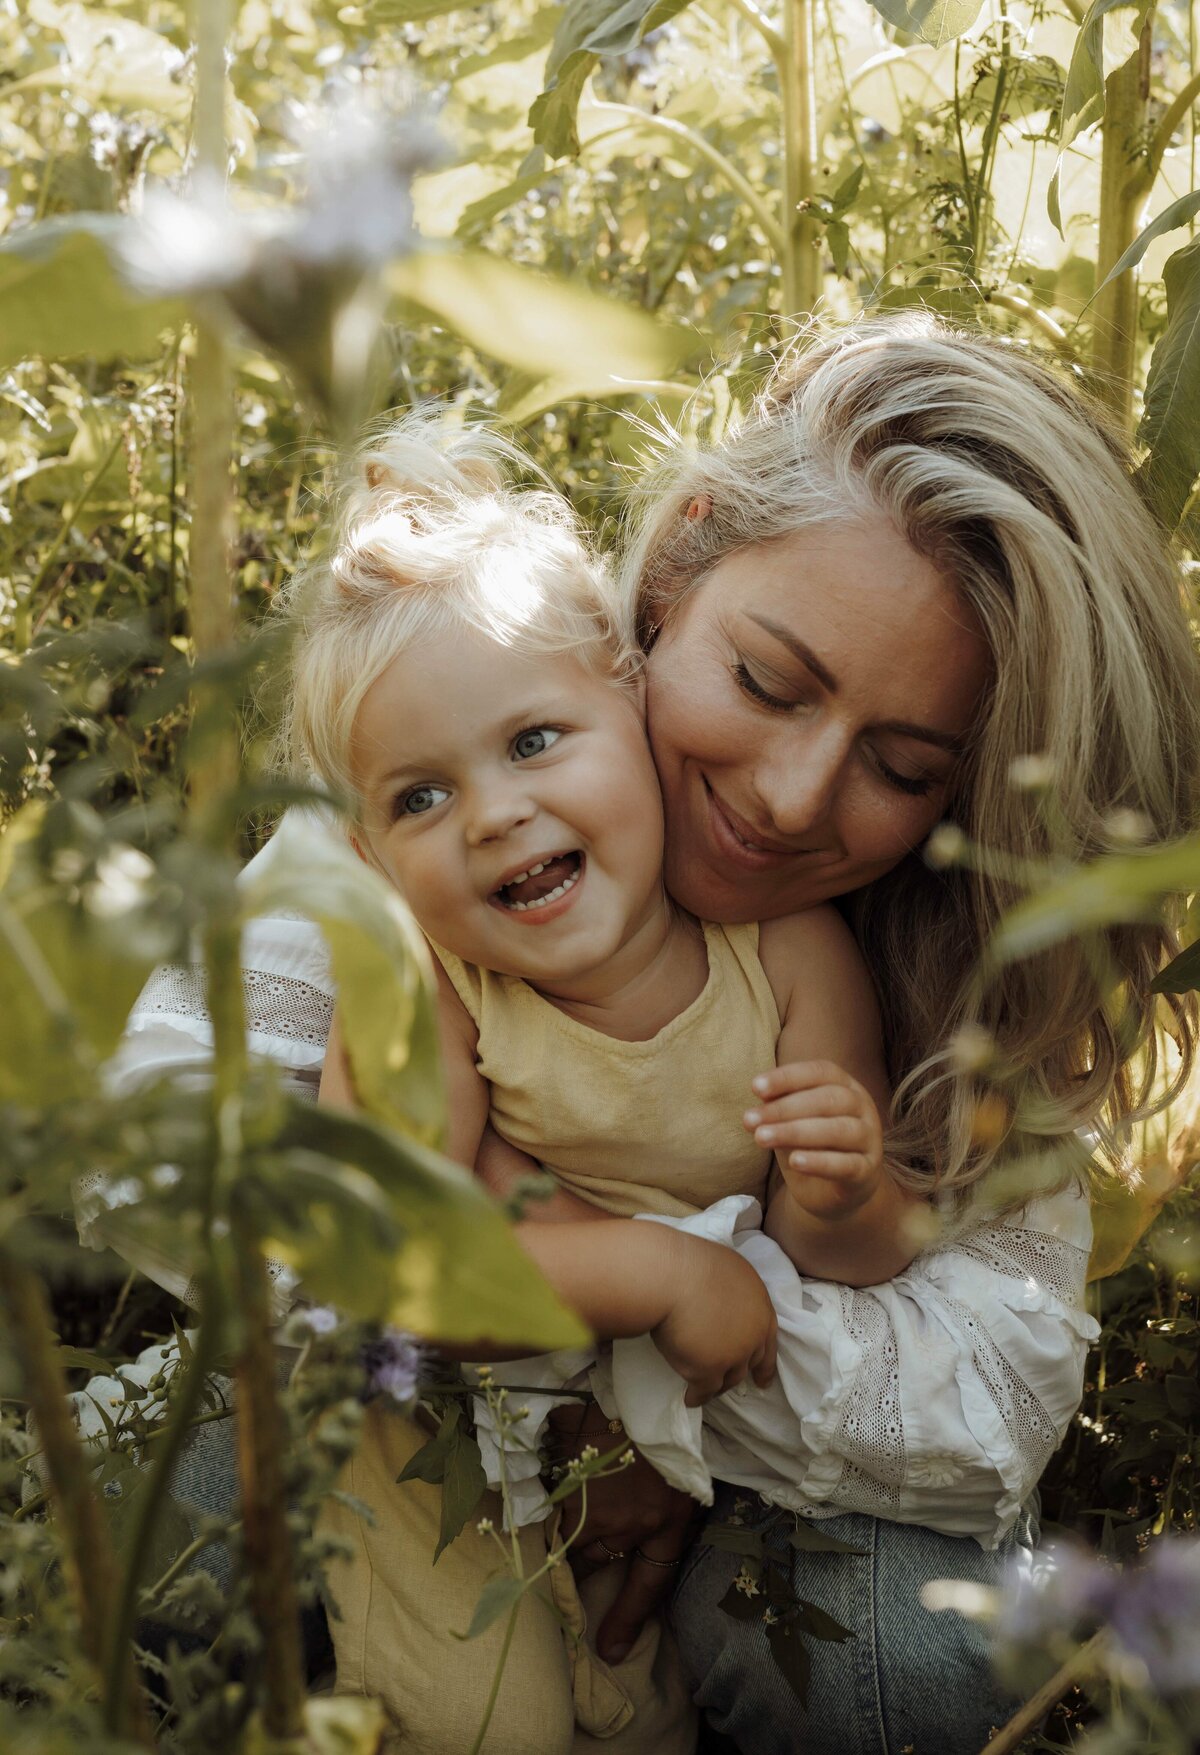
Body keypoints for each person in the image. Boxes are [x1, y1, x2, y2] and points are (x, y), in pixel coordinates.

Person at [84, 313, 1200, 1755]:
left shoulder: (905, 948)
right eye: (768, 682)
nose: (794, 797)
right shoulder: (470, 716)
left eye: (903, 765)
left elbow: (987, 1399)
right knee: (147, 1515)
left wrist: (658, 1394)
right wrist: (595, 1358)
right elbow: (176, 1147)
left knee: (898, 1669)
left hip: (760, 1475)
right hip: (438, 1407)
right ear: (671, 576)